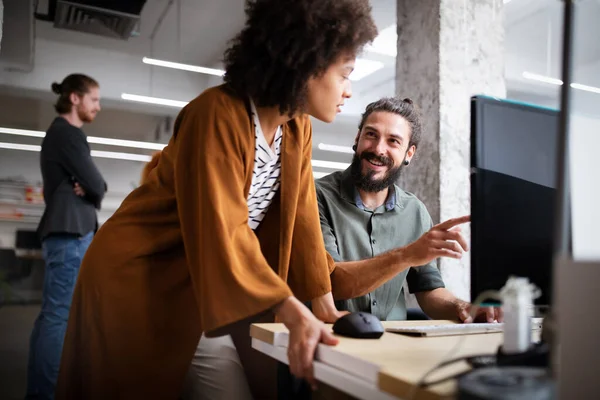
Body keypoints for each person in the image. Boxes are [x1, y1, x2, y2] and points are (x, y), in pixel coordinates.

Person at [55, 1, 378, 399]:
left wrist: (324, 308)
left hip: (195, 287)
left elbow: (304, 224)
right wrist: (292, 309)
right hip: (138, 278)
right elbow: (223, 225)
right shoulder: (216, 113)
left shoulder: (297, 128)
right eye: (345, 74)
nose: (349, 90)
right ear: (307, 62)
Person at [317, 97, 503, 323]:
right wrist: (406, 255)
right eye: (371, 135)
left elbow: (429, 291)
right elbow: (331, 282)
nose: (378, 149)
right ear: (358, 138)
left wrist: (463, 307)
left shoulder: (414, 210)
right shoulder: (316, 196)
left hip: (392, 343)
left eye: (393, 141)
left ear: (409, 153)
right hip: (329, 339)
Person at [27, 74, 106, 399]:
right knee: (60, 314)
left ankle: (39, 391)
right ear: (75, 98)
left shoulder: (58, 134)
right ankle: (45, 393)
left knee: (52, 313)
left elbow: (89, 183)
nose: (98, 107)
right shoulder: (68, 134)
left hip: (66, 231)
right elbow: (98, 184)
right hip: (71, 233)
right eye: (94, 100)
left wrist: (87, 187)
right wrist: (91, 189)